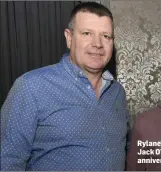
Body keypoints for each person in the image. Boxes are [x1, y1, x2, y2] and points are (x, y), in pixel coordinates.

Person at [1, 2, 130, 171]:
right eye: (87, 33)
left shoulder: (117, 92)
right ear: (69, 38)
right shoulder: (31, 87)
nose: (97, 43)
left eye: (106, 36)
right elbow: (7, 161)